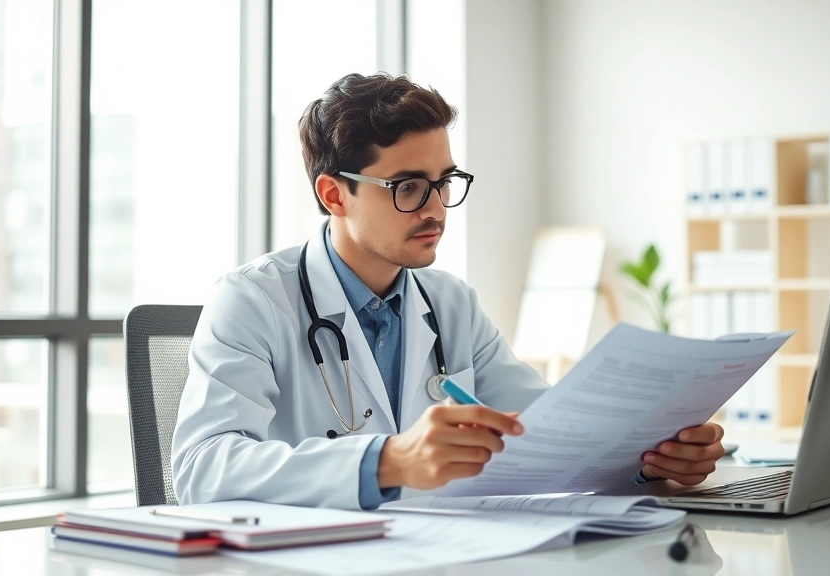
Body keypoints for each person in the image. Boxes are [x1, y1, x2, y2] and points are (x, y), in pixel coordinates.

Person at [171, 73, 725, 510]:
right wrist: (386, 461)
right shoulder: (251, 300)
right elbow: (202, 466)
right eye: (408, 186)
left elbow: (549, 431)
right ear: (334, 194)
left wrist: (650, 458)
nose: (435, 207)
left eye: (444, 182)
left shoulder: (451, 304)